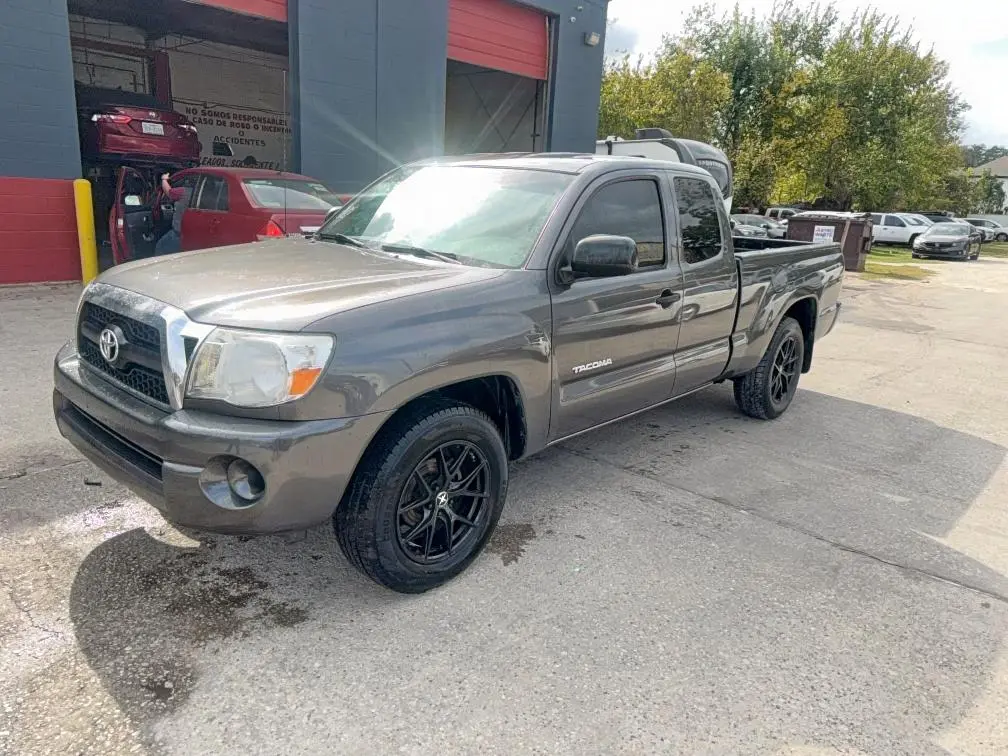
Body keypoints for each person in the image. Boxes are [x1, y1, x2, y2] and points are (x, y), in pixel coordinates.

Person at [154, 170, 192, 255]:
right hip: (194, 235)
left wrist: (164, 179)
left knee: (160, 247)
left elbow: (168, 191)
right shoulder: (210, 195)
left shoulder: (183, 192)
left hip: (179, 234)